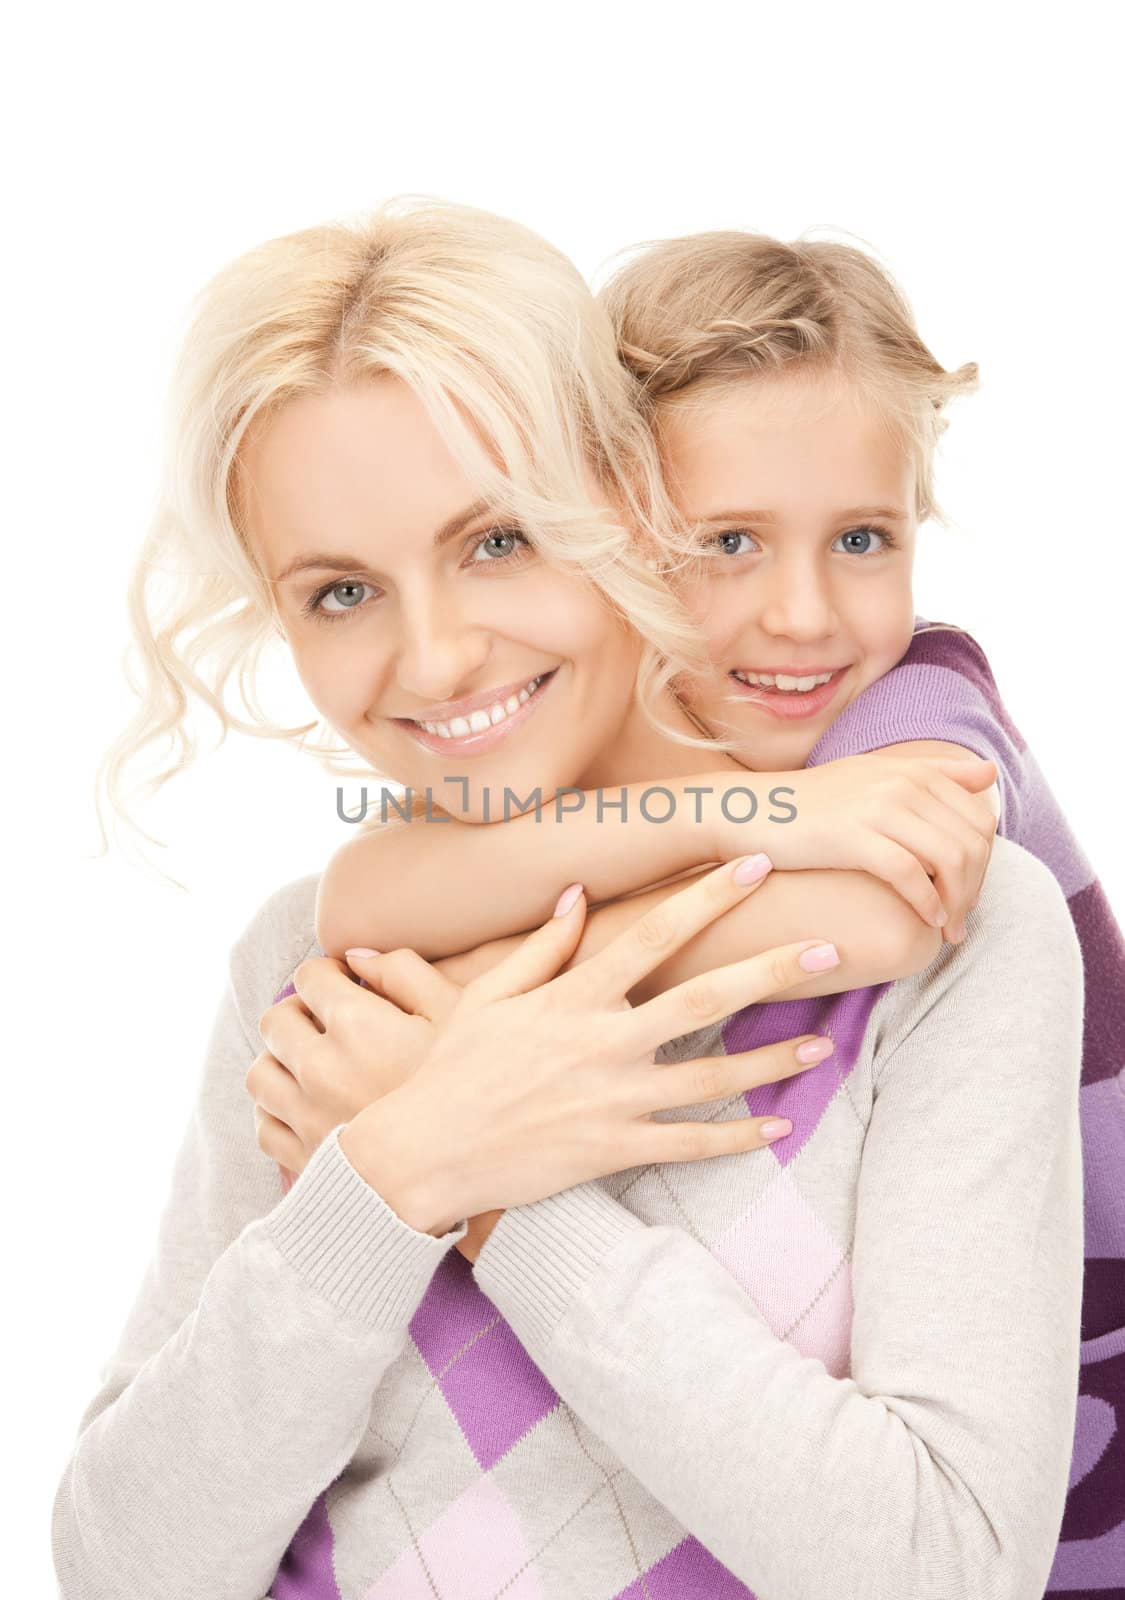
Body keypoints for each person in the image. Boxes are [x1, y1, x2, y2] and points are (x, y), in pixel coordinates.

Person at [54, 200, 1078, 1600]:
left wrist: (499, 1202)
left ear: (614, 505)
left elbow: (942, 1570)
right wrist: (397, 1172)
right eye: (339, 591)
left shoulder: (946, 926)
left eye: (494, 544)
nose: (431, 662)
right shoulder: (320, 962)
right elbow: (124, 1572)